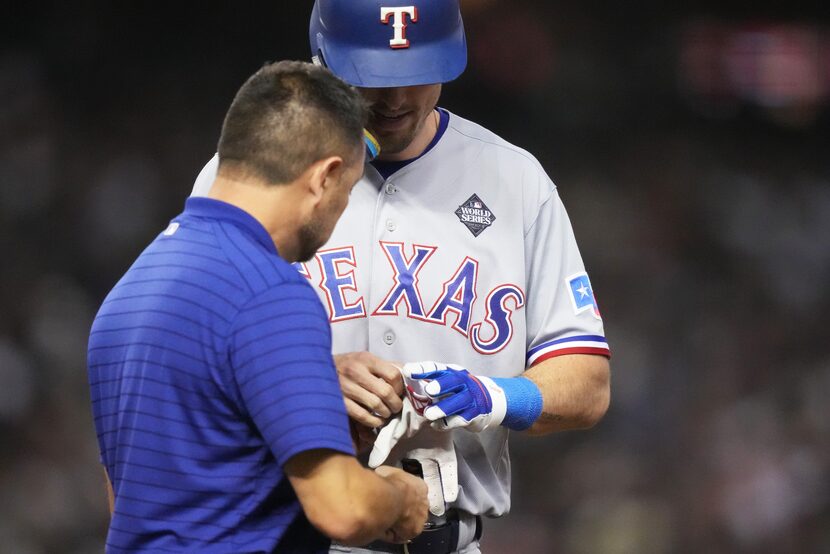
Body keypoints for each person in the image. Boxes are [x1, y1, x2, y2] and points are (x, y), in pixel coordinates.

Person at [192, 2, 612, 553]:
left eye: (415, 75)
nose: (393, 98)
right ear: (322, 61)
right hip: (283, 537)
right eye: (371, 76)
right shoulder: (247, 177)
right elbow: (188, 363)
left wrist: (494, 396)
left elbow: (587, 383)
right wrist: (304, 378)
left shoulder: (515, 181)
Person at [87, 60, 429, 553]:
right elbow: (344, 509)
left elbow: (140, 496)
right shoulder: (269, 290)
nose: (342, 209)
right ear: (324, 178)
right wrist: (398, 497)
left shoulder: (133, 287)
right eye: (349, 190)